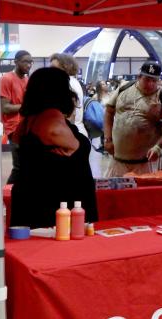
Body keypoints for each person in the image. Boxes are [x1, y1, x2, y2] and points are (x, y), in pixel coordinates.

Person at [9, 68, 97, 228]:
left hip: (34, 199)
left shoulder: (30, 120)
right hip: (55, 205)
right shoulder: (51, 122)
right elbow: (75, 146)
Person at [104, 61, 162, 176]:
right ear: (139, 77)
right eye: (147, 79)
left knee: (145, 193)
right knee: (117, 193)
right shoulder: (123, 88)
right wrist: (108, 139)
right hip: (118, 160)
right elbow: (109, 112)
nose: (150, 84)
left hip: (146, 163)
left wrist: (158, 147)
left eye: (154, 80)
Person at [0, 50, 32, 184]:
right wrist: (27, 106)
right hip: (14, 128)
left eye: (31, 62)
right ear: (16, 62)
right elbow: (5, 108)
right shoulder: (7, 79)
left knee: (26, 166)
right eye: (25, 61)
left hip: (27, 127)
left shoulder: (27, 80)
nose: (29, 65)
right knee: (19, 167)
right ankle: (7, 196)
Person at [50, 53, 87, 138]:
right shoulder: (72, 81)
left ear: (66, 67)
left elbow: (70, 116)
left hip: (69, 134)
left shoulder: (67, 84)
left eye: (54, 68)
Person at [83, 81, 109, 177]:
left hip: (107, 121)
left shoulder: (110, 96)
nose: (104, 85)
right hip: (97, 123)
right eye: (102, 84)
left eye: (105, 84)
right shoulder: (95, 98)